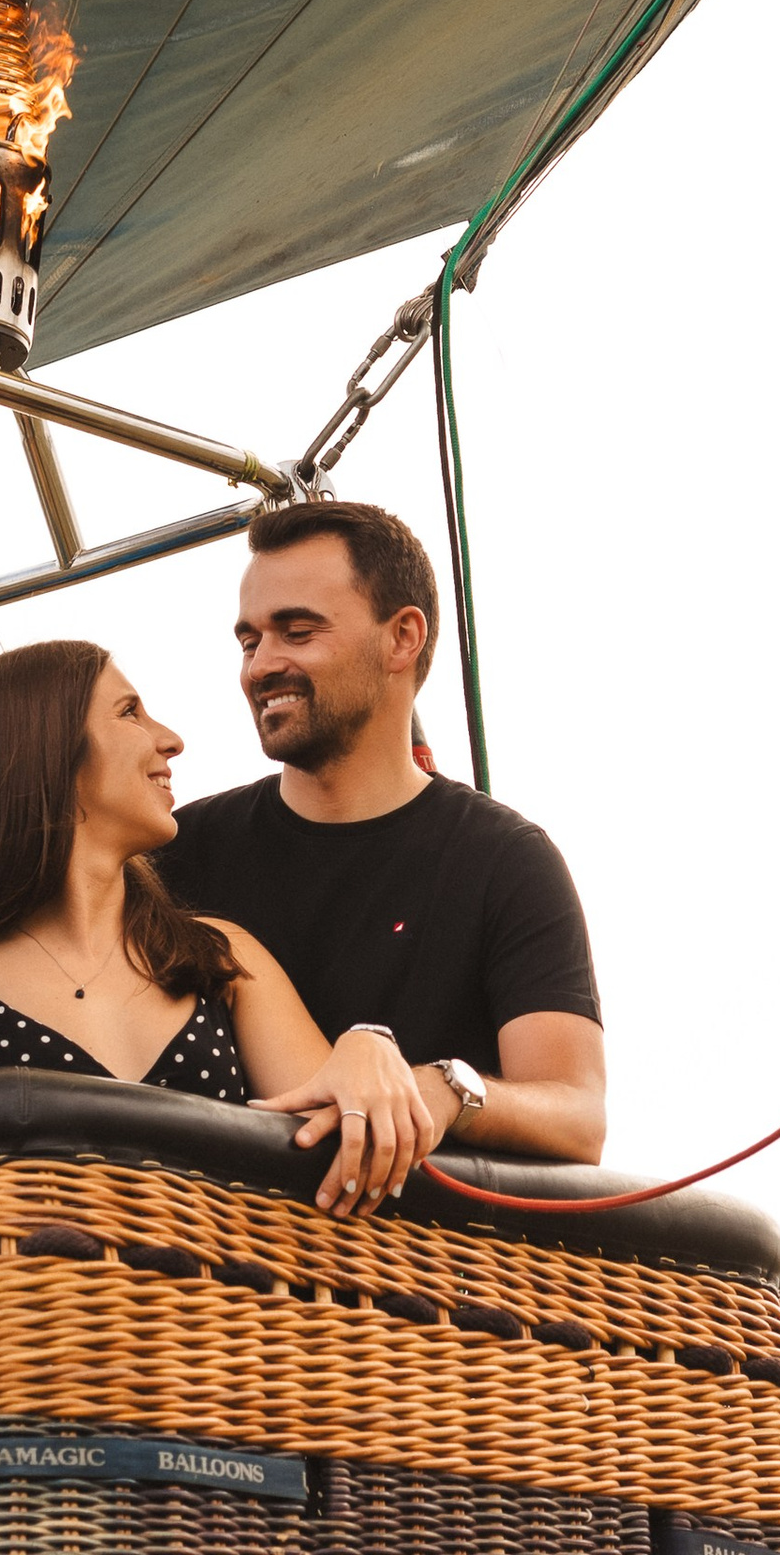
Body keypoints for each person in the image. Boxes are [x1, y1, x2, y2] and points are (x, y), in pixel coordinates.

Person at [0, 632, 406, 1213]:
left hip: (222, 1272)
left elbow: (339, 1155)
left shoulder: (221, 958)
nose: (170, 739)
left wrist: (366, 1048)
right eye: (130, 712)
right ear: (49, 750)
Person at [157, 499, 605, 1197]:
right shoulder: (178, 856)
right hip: (203, 1251)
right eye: (249, 642)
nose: (261, 666)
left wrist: (447, 1087)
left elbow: (578, 1116)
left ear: (402, 638)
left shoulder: (505, 859)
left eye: (297, 632)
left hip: (418, 1260)